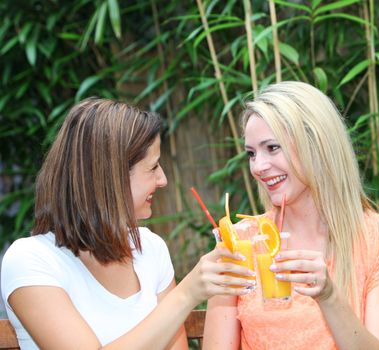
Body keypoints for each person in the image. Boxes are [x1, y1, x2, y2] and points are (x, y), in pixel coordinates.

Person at [0, 97, 255, 349]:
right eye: (153, 167)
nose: (163, 179)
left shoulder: (150, 248)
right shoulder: (32, 260)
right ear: (112, 176)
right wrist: (187, 294)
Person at [203, 81, 379, 350]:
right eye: (251, 153)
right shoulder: (240, 243)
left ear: (317, 144)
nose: (258, 167)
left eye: (272, 148)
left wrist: (329, 297)